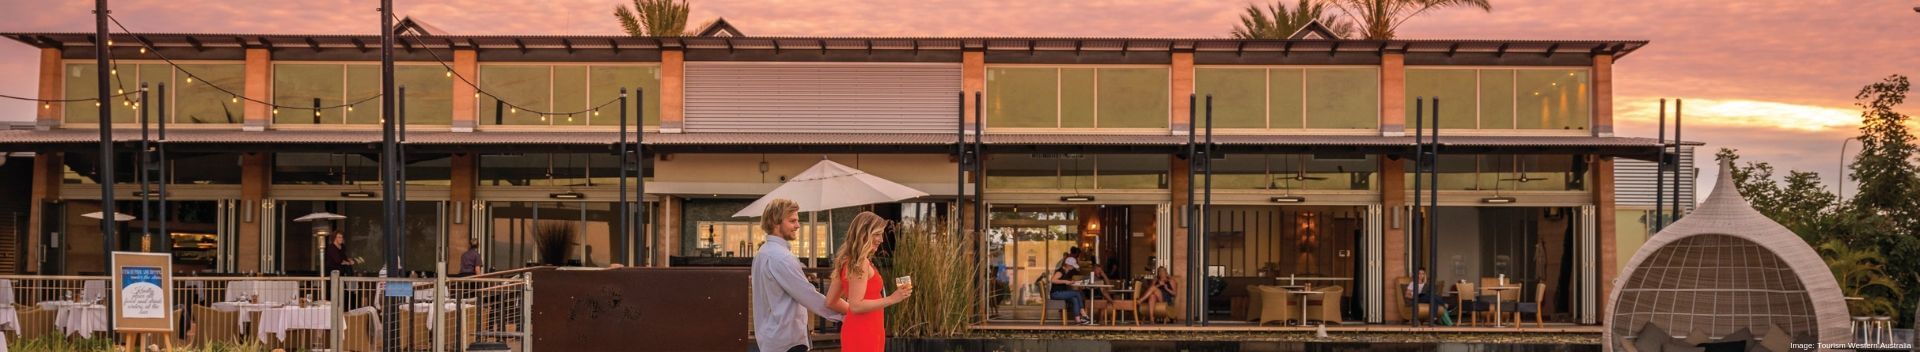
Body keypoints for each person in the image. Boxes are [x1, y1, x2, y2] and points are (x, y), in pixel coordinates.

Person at [750, 199, 844, 352]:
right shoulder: (782, 257)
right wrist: (846, 314)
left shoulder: (762, 253)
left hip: (771, 339)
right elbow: (808, 295)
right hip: (788, 341)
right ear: (775, 222)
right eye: (792, 221)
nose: (798, 225)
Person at [824, 212, 912, 352]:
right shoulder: (860, 263)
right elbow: (856, 305)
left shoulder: (847, 261)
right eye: (876, 234)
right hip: (865, 331)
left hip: (862, 328)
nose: (881, 239)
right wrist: (892, 299)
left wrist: (855, 311)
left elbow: (831, 301)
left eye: (881, 234)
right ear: (863, 234)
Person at [1048, 255, 1096, 325]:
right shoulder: (1060, 271)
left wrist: (1072, 282)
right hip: (1056, 294)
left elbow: (1064, 282)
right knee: (1077, 293)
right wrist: (1065, 281)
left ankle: (1078, 320)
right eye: (1072, 266)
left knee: (1074, 298)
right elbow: (1053, 280)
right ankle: (1083, 313)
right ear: (1068, 265)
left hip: (1060, 292)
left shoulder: (1067, 272)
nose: (1073, 267)